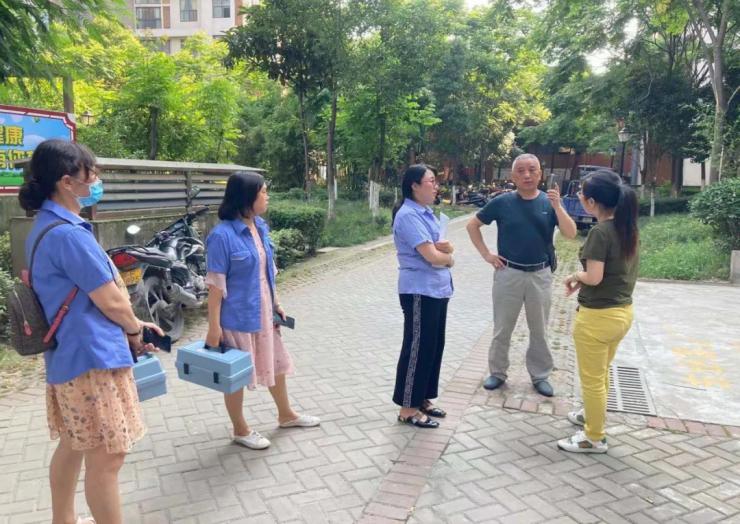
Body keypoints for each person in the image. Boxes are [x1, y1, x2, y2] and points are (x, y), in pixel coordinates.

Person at [18, 139, 162, 524]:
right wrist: (135, 330)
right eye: (91, 173)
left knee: (74, 444)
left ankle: (62, 519)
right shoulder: (69, 235)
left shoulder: (45, 227)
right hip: (92, 359)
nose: (96, 180)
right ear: (67, 182)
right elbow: (111, 300)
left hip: (69, 357)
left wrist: (133, 326)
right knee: (108, 457)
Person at [205, 171, 319, 450]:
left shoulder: (260, 227)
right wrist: (213, 328)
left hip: (265, 312)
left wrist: (276, 303)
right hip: (237, 317)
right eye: (263, 192)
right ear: (247, 197)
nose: (267, 196)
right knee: (236, 374)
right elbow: (216, 287)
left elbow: (267, 272)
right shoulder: (221, 236)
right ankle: (240, 429)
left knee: (277, 364)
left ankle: (286, 415)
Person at [466, 154, 577, 397]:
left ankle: (540, 375)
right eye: (521, 171)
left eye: (532, 170)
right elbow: (472, 225)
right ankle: (497, 372)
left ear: (540, 174)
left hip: (540, 274)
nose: (527, 175)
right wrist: (487, 255)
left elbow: (570, 233)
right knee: (502, 327)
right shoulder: (502, 202)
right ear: (513, 176)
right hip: (508, 273)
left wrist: (558, 206)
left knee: (539, 329)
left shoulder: (549, 202)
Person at [557, 171, 639, 453]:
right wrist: (582, 280)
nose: (579, 196)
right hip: (622, 313)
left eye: (581, 193)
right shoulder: (627, 228)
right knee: (601, 372)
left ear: (591, 202)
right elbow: (613, 272)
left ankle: (593, 437)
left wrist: (574, 276)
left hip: (598, 318)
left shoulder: (600, 232)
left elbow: (594, 276)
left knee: (592, 380)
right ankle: (591, 415)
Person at [391, 165, 454, 429]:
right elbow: (433, 256)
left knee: (433, 345)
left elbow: (443, 249)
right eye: (431, 181)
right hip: (419, 290)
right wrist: (447, 257)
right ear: (414, 186)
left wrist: (445, 254)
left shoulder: (426, 213)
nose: (436, 186)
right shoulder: (408, 215)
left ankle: (423, 399)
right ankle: (408, 408)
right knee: (418, 347)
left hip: (437, 289)